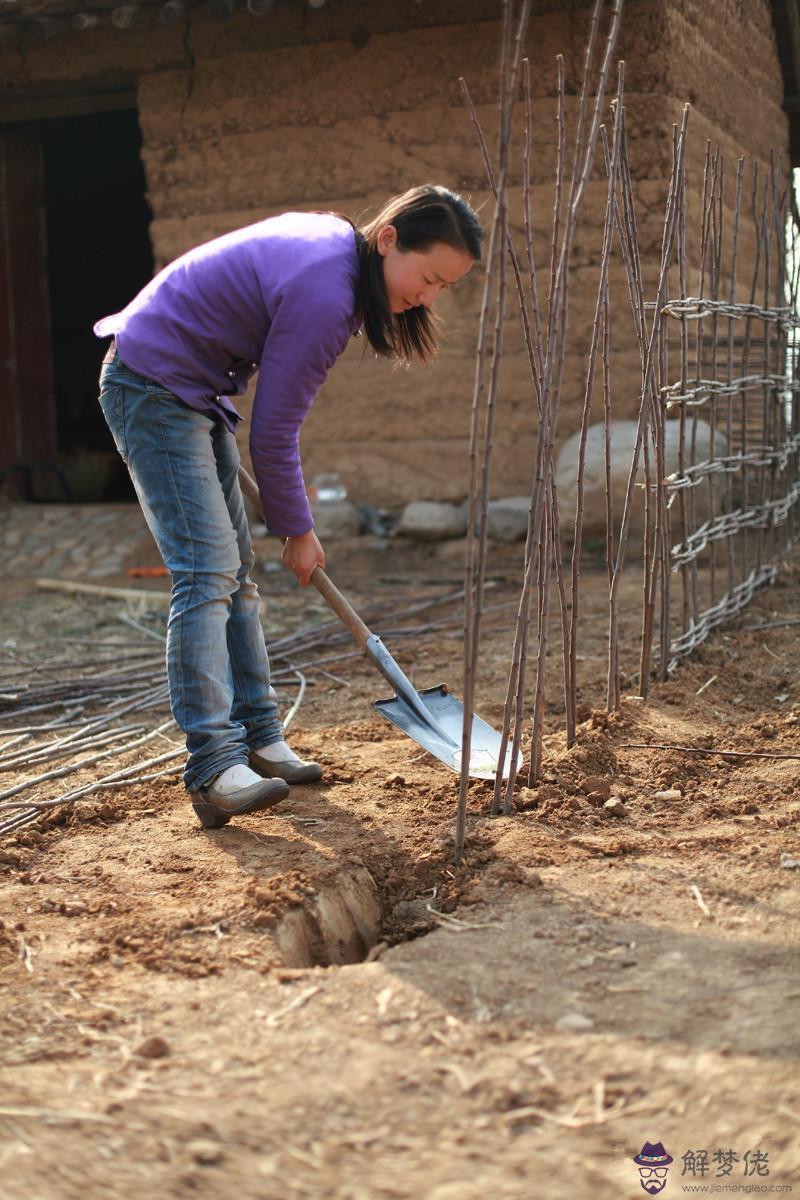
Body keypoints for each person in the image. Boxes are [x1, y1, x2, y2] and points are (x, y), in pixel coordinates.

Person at [95, 184, 483, 830]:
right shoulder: (327, 295)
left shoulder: (338, 258)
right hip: (153, 385)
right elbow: (274, 429)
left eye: (445, 286)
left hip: (191, 387)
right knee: (207, 573)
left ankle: (260, 739)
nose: (428, 297)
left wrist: (289, 524)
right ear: (388, 240)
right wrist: (298, 530)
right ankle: (214, 768)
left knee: (234, 578)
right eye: (428, 277)